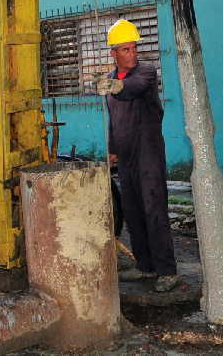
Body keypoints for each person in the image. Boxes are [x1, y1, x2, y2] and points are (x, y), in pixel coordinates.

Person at [97, 19, 179, 293]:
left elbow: (129, 90)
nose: (133, 54)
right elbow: (113, 119)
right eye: (126, 49)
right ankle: (145, 266)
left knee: (154, 210)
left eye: (134, 48)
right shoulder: (111, 79)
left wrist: (113, 87)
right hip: (126, 155)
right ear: (114, 53)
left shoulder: (146, 72)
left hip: (149, 153)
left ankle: (167, 271)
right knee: (132, 212)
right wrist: (111, 149)